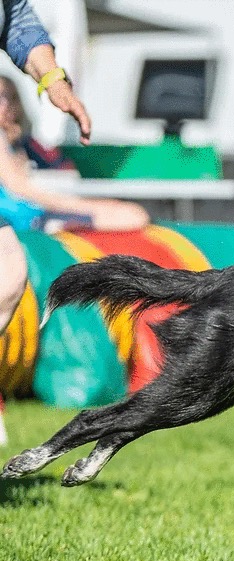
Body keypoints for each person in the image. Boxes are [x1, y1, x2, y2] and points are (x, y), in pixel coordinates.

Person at [0, 0, 147, 336]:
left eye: (8, 98)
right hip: (34, 217)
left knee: (9, 273)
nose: (5, 106)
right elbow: (22, 190)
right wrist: (88, 206)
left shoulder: (29, 144)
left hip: (37, 216)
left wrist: (55, 81)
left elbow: (18, 20)